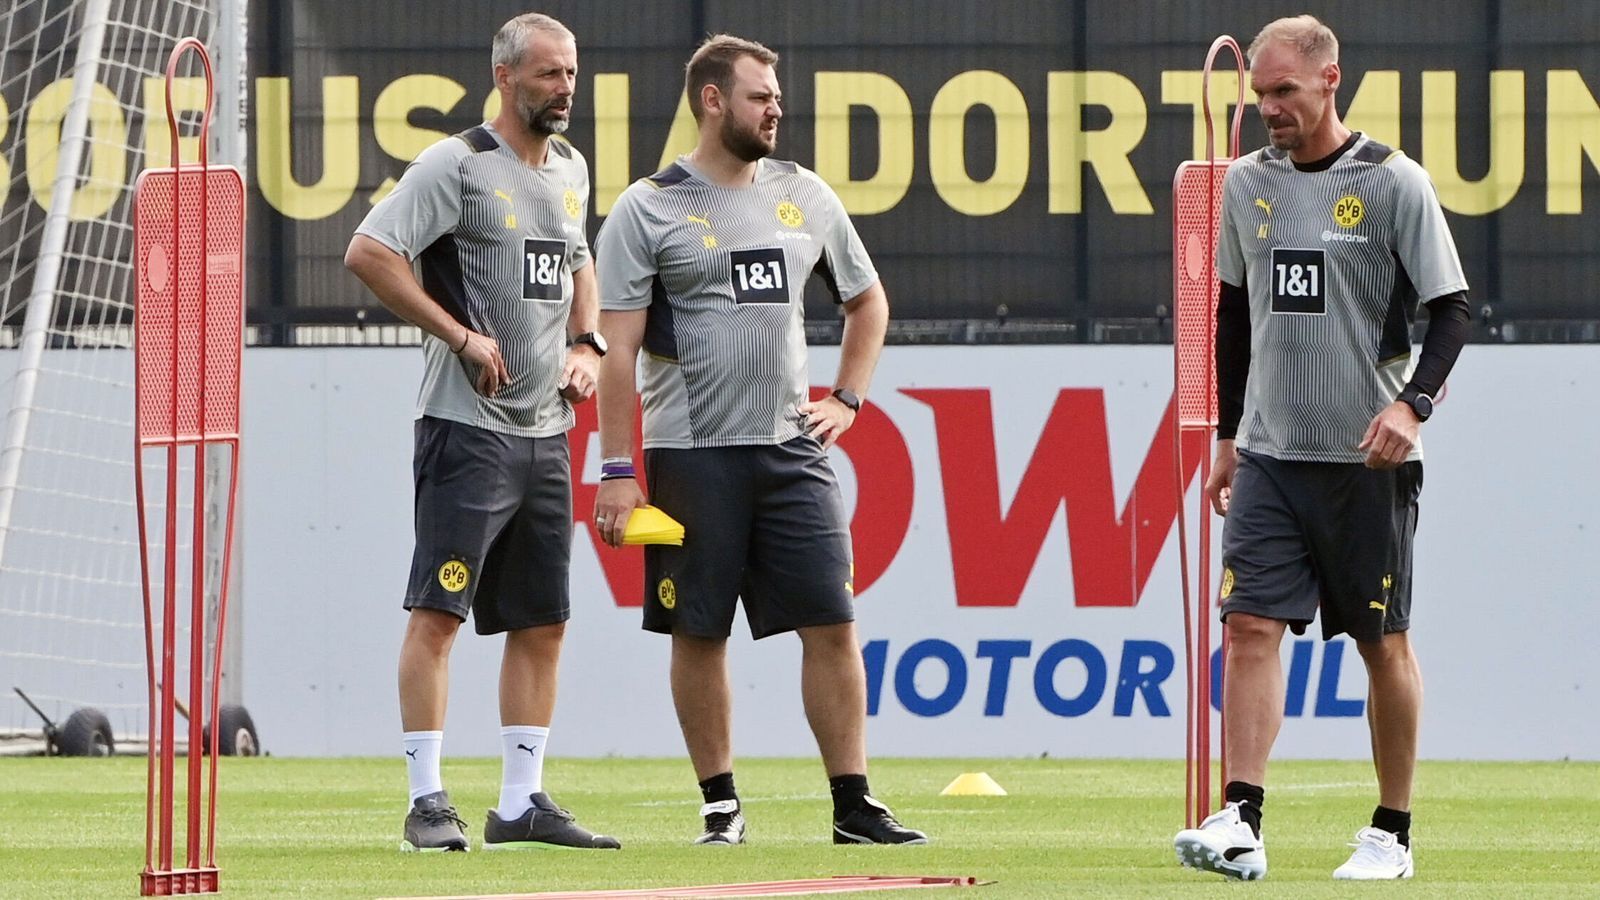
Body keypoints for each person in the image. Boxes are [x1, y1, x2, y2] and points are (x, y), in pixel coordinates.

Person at [590, 34, 926, 847]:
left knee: (833, 623)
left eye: (776, 95)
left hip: (790, 451)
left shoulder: (803, 192)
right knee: (698, 631)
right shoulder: (649, 205)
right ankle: (720, 805)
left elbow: (868, 301)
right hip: (691, 453)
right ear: (712, 100)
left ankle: (854, 804)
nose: (776, 107)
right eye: (758, 95)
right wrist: (616, 471)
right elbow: (618, 351)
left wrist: (847, 397)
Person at [1172, 14, 1470, 881]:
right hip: (1269, 453)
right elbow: (1231, 312)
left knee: (1383, 645)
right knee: (1250, 627)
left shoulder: (1392, 183)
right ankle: (1242, 821)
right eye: (1260, 93)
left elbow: (1452, 308)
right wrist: (1228, 435)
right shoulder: (1245, 185)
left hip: (1367, 460)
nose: (1269, 107)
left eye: (1284, 92)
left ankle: (1391, 833)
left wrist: (1412, 407)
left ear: (1331, 82)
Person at [345, 12, 619, 853]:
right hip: (467, 431)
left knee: (543, 623)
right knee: (438, 614)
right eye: (547, 74)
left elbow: (579, 262)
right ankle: (427, 804)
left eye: (570, 73)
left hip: (545, 432)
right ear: (504, 76)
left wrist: (586, 341)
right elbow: (368, 251)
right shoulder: (456, 164)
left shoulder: (570, 168)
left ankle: (520, 804)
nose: (564, 87)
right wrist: (458, 336)